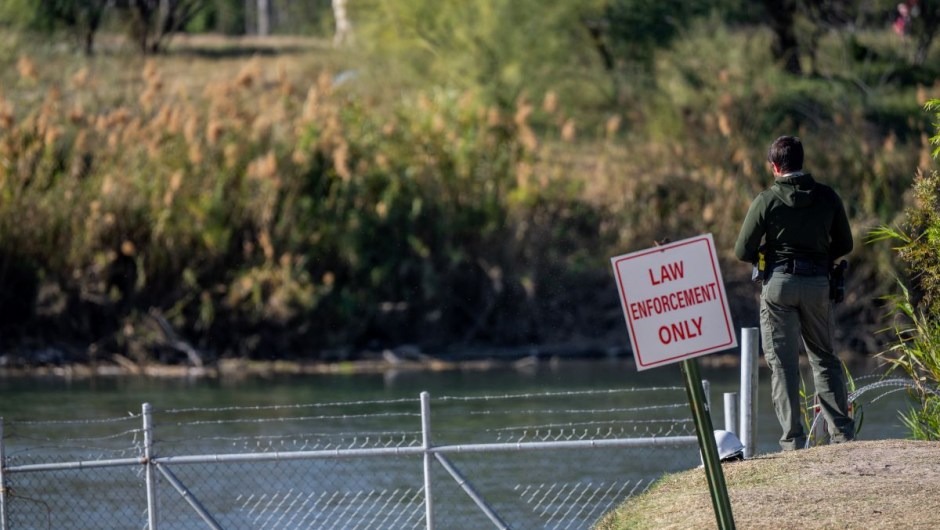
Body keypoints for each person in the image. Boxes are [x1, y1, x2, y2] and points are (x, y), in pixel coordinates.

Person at [734, 135, 855, 451]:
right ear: (801, 161)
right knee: (824, 358)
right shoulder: (827, 197)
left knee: (784, 364)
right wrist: (821, 255)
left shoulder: (767, 200)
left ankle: (793, 440)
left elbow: (741, 250)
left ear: (774, 166)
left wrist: (767, 252)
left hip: (780, 286)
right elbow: (846, 244)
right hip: (818, 285)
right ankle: (841, 435)